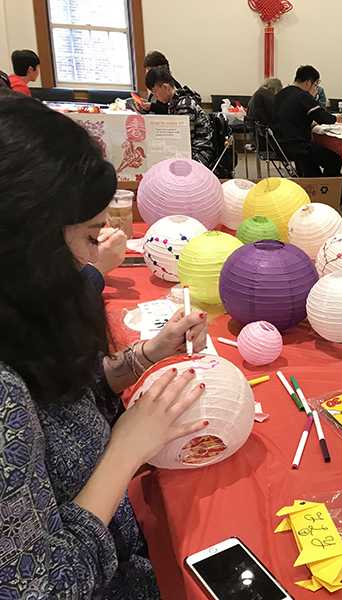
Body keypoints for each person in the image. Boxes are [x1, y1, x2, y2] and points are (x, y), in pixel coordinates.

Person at [0, 95, 209, 598]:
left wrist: (145, 356)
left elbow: (57, 399)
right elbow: (42, 585)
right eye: (92, 237)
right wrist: (128, 447)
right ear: (30, 240)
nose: (100, 254)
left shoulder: (23, 313)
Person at [273, 65, 342, 178]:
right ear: (308, 83)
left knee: (312, 159)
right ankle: (327, 189)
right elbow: (324, 118)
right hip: (296, 146)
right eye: (316, 85)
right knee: (334, 159)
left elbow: (293, 116)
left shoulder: (281, 94)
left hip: (277, 144)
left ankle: (314, 184)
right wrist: (337, 118)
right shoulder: (303, 95)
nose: (316, 89)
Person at [145, 66, 214, 167]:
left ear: (165, 87)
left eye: (155, 91)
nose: (155, 96)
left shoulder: (184, 105)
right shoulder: (175, 102)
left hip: (200, 153)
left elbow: (183, 140)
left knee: (160, 163)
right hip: (192, 149)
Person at [132, 51, 201, 115]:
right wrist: (145, 107)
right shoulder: (156, 86)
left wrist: (152, 106)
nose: (148, 74)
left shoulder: (177, 92)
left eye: (150, 71)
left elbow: (171, 111)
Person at [248, 77, 283, 152]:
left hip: (255, 138)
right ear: (276, 89)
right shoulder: (266, 95)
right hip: (266, 141)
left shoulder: (258, 94)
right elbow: (276, 116)